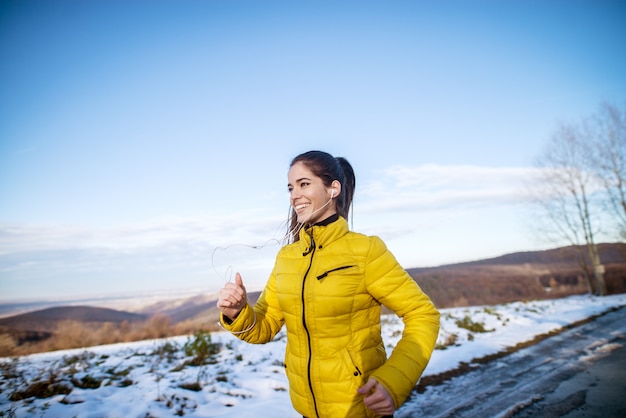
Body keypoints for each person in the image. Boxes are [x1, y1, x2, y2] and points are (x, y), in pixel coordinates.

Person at [217, 150, 440, 418]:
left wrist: (394, 380)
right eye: (290, 187)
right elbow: (263, 328)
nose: (294, 195)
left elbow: (423, 315)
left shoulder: (365, 251)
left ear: (333, 188)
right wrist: (237, 312)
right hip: (307, 410)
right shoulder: (287, 258)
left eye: (304, 184)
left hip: (360, 408)